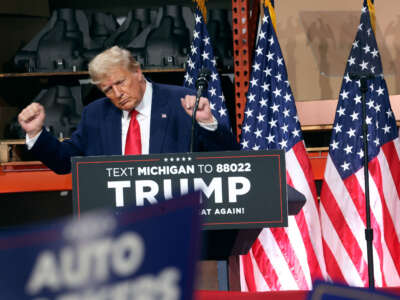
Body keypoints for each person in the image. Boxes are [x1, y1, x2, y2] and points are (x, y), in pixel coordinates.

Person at [18, 46, 239, 174]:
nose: (117, 93)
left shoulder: (182, 102)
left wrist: (207, 123)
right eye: (107, 90)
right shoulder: (95, 114)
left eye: (121, 82)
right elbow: (65, 162)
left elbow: (227, 158)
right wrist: (35, 134)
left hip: (175, 221)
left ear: (137, 71)